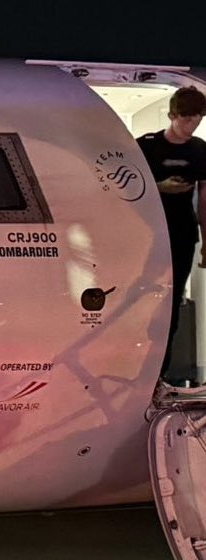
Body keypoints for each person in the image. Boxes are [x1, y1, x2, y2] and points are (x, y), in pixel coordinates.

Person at [137, 86, 206, 380]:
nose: (193, 125)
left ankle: (158, 373)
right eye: (187, 119)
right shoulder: (147, 146)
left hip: (181, 233)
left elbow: (204, 198)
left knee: (172, 302)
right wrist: (159, 188)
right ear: (172, 115)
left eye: (198, 119)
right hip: (146, 234)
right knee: (139, 296)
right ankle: (132, 363)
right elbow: (125, 187)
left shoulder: (199, 149)